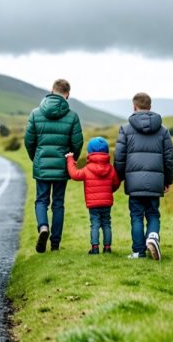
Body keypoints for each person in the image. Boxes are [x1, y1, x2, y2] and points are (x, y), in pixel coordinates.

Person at [24, 79, 83, 253]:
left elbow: (29, 141)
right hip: (62, 165)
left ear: (51, 90)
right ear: (68, 94)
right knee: (58, 204)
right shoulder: (72, 116)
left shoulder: (35, 113)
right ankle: (55, 244)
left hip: (41, 164)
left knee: (41, 200)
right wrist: (70, 161)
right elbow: (77, 143)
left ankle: (43, 227)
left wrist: (36, 158)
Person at [114, 92, 173, 261]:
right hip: (155, 182)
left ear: (134, 107)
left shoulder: (125, 129)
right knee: (153, 214)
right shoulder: (163, 130)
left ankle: (138, 251)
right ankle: (153, 237)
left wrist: (119, 177)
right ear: (150, 107)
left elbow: (119, 157)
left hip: (134, 182)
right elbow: (169, 158)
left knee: (136, 216)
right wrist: (168, 180)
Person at [65, 137, 120, 255]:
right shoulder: (110, 168)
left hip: (93, 204)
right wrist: (108, 191)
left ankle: (95, 248)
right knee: (106, 223)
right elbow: (116, 183)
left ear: (90, 152)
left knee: (95, 224)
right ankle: (107, 248)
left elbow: (74, 174)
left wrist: (70, 160)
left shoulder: (87, 169)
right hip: (106, 203)